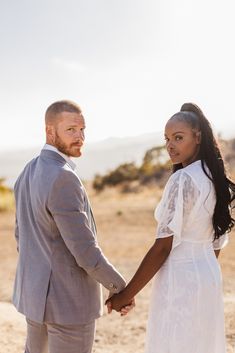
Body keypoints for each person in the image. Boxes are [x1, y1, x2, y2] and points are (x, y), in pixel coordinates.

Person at [106, 103, 235, 352]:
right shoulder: (217, 180)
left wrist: (126, 294)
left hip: (180, 279)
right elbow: (215, 245)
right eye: (166, 139)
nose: (170, 146)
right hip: (208, 276)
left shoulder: (183, 179)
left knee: (173, 343)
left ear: (198, 137)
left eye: (178, 137)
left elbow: (163, 247)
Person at [13, 100, 133, 353]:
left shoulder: (26, 172)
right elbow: (85, 251)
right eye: (71, 130)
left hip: (35, 300)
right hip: (68, 304)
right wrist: (121, 288)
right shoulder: (64, 177)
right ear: (50, 131)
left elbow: (20, 238)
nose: (80, 136)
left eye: (82, 129)